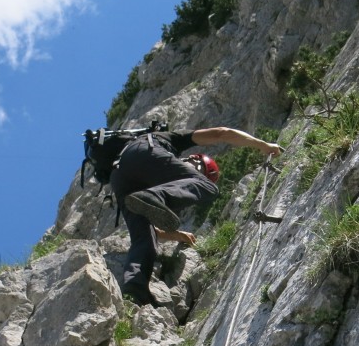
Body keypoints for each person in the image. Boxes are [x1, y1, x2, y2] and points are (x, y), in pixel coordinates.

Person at [110, 126, 282, 305]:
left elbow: (152, 231)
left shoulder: (157, 185)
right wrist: (262, 145)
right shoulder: (173, 139)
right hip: (143, 152)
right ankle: (157, 198)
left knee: (143, 238)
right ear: (193, 159)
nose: (195, 177)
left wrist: (176, 235)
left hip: (119, 176)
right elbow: (221, 133)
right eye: (201, 172)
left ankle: (134, 290)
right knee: (208, 188)